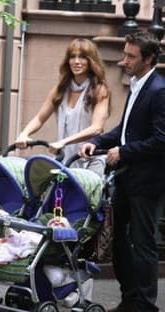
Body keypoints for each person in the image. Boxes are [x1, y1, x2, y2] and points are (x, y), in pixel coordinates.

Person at [79, 31, 165, 312]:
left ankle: (145, 305)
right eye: (125, 53)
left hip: (147, 181)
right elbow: (124, 131)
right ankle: (130, 297)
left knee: (143, 243)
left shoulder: (159, 89)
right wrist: (97, 142)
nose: (123, 60)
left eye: (131, 56)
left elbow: (161, 139)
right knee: (116, 239)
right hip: (127, 178)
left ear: (149, 59)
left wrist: (124, 152)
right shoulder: (138, 85)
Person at [15, 38, 110, 177]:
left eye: (82, 57)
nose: (76, 61)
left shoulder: (99, 90)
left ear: (91, 61)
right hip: (64, 158)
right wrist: (24, 134)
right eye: (73, 56)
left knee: (84, 196)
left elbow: (96, 128)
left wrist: (63, 142)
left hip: (90, 158)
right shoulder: (60, 89)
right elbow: (40, 118)